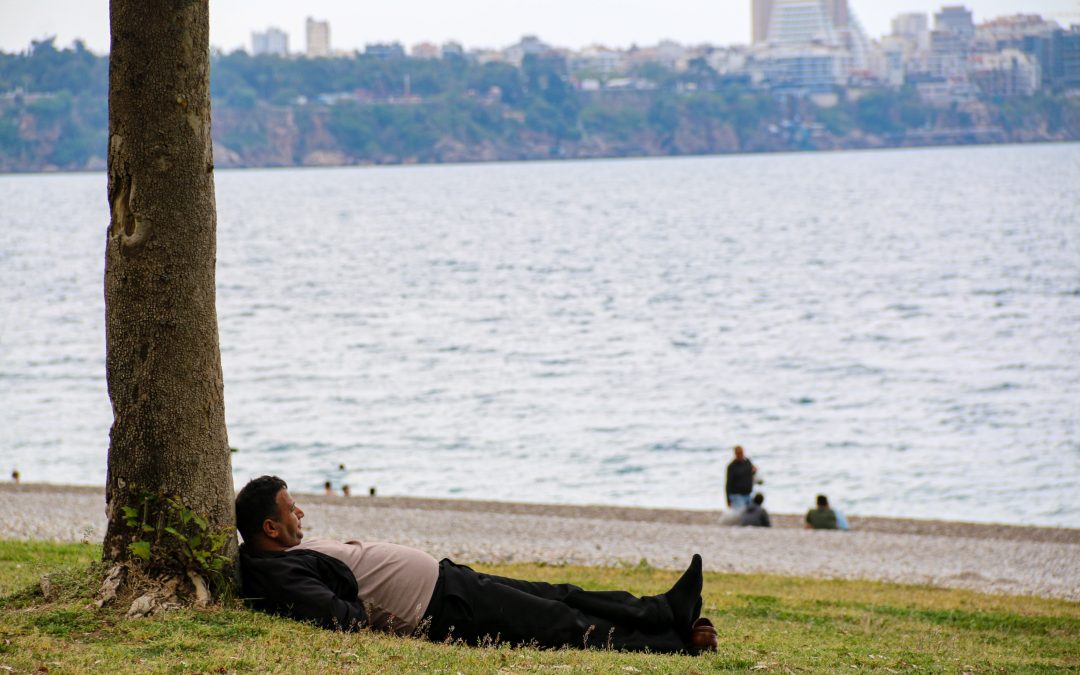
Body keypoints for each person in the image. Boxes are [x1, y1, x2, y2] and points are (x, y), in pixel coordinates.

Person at [235, 476, 718, 654]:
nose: (300, 512)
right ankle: (676, 643)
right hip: (441, 608)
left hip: (448, 580)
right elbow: (341, 617)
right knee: (562, 625)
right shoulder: (276, 571)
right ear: (270, 528)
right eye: (290, 508)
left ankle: (663, 610)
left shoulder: (285, 556)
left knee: (561, 594)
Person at [725, 445, 757, 510]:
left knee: (749, 515)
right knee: (740, 515)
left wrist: (754, 471)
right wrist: (728, 500)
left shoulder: (747, 462)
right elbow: (728, 483)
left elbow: (751, 472)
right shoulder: (731, 466)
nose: (740, 455)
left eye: (741, 453)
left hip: (748, 494)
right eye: (738, 453)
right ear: (735, 454)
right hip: (737, 495)